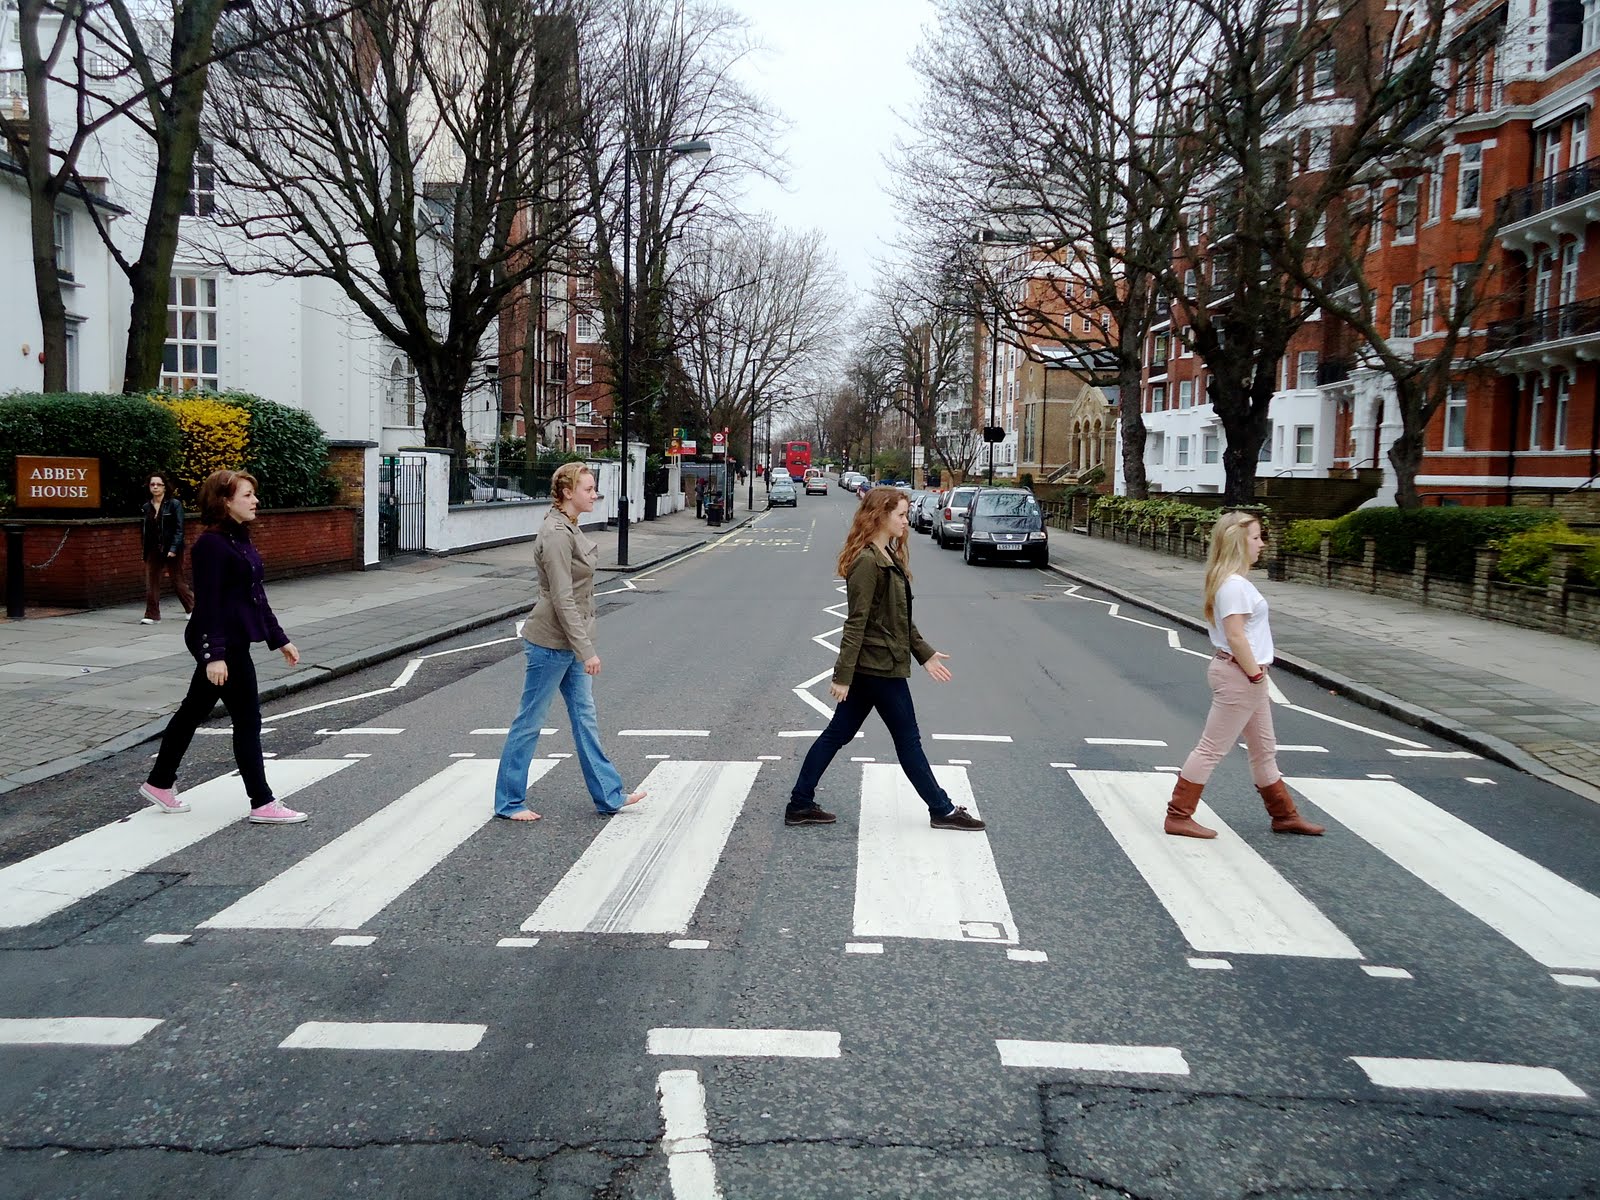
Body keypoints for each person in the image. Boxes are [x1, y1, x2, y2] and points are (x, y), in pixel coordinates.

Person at [785, 487, 985, 831]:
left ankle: (800, 803)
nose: (907, 522)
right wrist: (841, 675)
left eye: (907, 515)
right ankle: (942, 809)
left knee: (838, 734)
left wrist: (925, 654)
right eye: (902, 515)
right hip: (878, 668)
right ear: (880, 516)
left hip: (876, 665)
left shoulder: (886, 554)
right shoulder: (867, 561)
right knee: (907, 741)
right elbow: (856, 622)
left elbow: (899, 619)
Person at [139, 470, 307, 824]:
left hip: (231, 640)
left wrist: (280, 639)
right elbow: (209, 605)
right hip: (223, 644)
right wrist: (213, 655)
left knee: (192, 711)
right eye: (247, 495)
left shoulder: (239, 539)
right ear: (225, 501)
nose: (255, 501)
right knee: (248, 720)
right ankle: (262, 802)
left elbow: (256, 597)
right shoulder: (211, 545)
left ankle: (159, 782)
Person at [493, 462, 647, 822]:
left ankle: (609, 795)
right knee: (529, 722)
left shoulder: (569, 526)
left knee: (585, 719)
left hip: (568, 642)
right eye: (588, 489)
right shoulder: (556, 534)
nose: (594, 494)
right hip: (550, 643)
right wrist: (586, 650)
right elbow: (562, 598)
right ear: (567, 493)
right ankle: (509, 802)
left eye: (594, 489)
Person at [1165, 510, 1324, 840]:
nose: (1261, 543)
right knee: (1211, 749)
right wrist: (1254, 675)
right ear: (1238, 543)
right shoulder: (1234, 586)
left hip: (1244, 674)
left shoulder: (1232, 582)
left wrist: (1256, 675)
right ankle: (1178, 816)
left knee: (1264, 750)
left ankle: (1284, 816)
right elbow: (1236, 635)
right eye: (1255, 537)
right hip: (1240, 675)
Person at [139, 471, 194, 624]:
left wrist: (174, 548)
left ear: (164, 487)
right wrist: (145, 550)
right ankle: (152, 615)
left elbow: (179, 528)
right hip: (153, 549)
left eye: (158, 484)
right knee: (151, 582)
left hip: (171, 548)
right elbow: (145, 531)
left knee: (177, 581)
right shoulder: (146, 506)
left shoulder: (174, 504)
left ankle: (192, 607)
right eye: (152, 484)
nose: (155, 487)